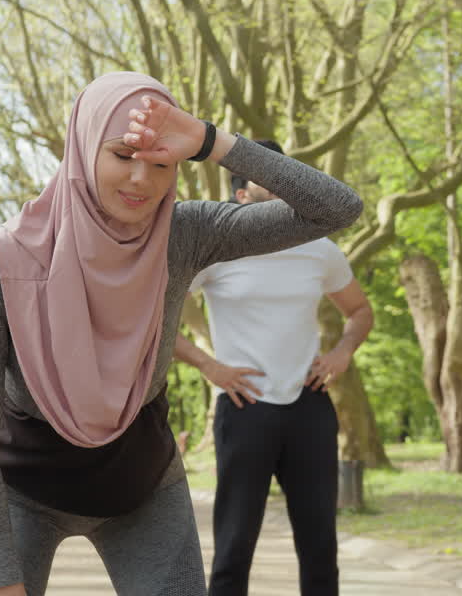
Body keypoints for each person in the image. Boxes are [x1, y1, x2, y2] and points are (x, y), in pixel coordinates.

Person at [0, 73, 363, 596]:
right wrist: (2, 580)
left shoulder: (186, 234)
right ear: (83, 148)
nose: (141, 180)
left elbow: (337, 208)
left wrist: (211, 141)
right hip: (20, 492)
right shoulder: (2, 261)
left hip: (142, 488)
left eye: (161, 164)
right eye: (123, 154)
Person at [173, 139, 374, 596]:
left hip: (309, 405)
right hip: (244, 407)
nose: (282, 180)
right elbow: (155, 321)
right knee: (234, 547)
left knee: (320, 546)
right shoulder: (215, 248)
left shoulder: (319, 248)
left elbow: (360, 311)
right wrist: (209, 365)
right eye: (267, 175)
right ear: (242, 194)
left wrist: (342, 352)